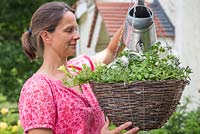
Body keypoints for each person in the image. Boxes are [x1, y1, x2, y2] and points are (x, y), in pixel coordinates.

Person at [18, 1, 139, 134]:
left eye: (76, 29)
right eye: (69, 30)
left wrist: (133, 18)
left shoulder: (80, 67)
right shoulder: (38, 89)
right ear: (46, 36)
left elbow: (111, 52)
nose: (77, 36)